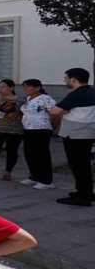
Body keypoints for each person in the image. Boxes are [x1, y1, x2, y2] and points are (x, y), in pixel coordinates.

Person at [49, 68, 95, 206]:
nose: (65, 80)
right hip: (88, 133)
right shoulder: (92, 91)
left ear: (74, 79)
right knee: (84, 165)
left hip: (75, 134)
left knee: (78, 165)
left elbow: (54, 110)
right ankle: (84, 191)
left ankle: (83, 197)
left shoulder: (77, 94)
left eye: (66, 78)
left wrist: (63, 110)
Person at [0, 79, 25, 181]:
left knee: (12, 151)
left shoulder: (21, 100)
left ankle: (7, 172)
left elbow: (24, 115)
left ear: (11, 88)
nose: (0, 89)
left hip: (15, 129)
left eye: (3, 87)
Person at [19, 79, 57, 190]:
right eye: (24, 87)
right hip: (28, 129)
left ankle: (47, 180)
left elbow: (54, 114)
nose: (26, 89)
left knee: (42, 155)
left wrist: (55, 127)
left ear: (38, 88)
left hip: (41, 130)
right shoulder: (28, 98)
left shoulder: (46, 99)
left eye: (28, 87)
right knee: (30, 153)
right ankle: (34, 176)